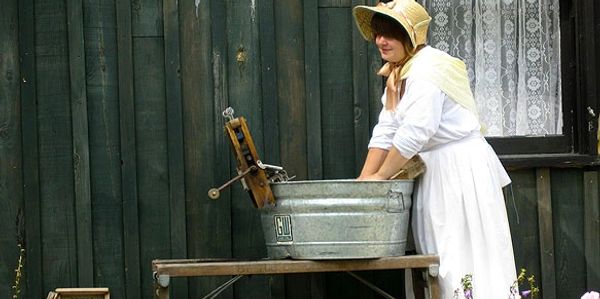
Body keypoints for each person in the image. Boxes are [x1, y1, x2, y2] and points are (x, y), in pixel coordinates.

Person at [353, 0, 518, 298]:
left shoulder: (428, 70)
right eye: (378, 33)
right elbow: (388, 128)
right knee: (438, 256)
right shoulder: (400, 73)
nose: (380, 40)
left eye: (390, 33)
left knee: (463, 255)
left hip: (459, 172)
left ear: (411, 36)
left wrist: (381, 178)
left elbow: (414, 134)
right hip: (436, 172)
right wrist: (364, 181)